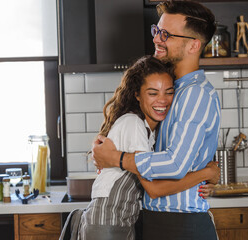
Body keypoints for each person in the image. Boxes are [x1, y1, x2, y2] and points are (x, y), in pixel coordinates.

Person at [92, 1, 221, 239]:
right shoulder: (172, 90)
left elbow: (175, 164)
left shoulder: (195, 93)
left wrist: (117, 158)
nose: (157, 39)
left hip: (181, 224)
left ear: (194, 45)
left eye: (167, 34)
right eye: (157, 31)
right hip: (159, 219)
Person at [71, 56, 219, 240]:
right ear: (137, 95)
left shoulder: (151, 131)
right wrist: (206, 174)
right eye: (153, 93)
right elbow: (154, 189)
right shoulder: (133, 124)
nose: (162, 100)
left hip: (120, 222)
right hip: (106, 223)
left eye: (169, 92)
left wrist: (204, 180)